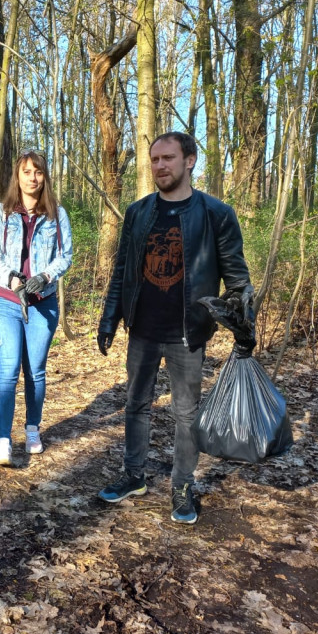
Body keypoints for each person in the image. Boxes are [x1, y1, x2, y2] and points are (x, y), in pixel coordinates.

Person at [96, 132, 251, 523]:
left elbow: (237, 277)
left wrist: (243, 322)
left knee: (186, 413)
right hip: (142, 329)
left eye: (168, 158)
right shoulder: (138, 212)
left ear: (190, 160)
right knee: (136, 404)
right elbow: (122, 271)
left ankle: (182, 486)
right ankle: (134, 475)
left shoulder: (216, 214)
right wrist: (110, 317)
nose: (160, 166)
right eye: (154, 159)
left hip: (188, 331)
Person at [0, 150, 73, 465]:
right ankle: (3, 441)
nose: (32, 178)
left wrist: (45, 277)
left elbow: (65, 255)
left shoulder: (56, 215)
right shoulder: (2, 213)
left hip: (42, 304)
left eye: (38, 172)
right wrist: (13, 280)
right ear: (17, 176)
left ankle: (32, 429)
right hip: (6, 303)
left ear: (44, 177)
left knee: (35, 370)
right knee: (8, 372)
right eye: (26, 172)